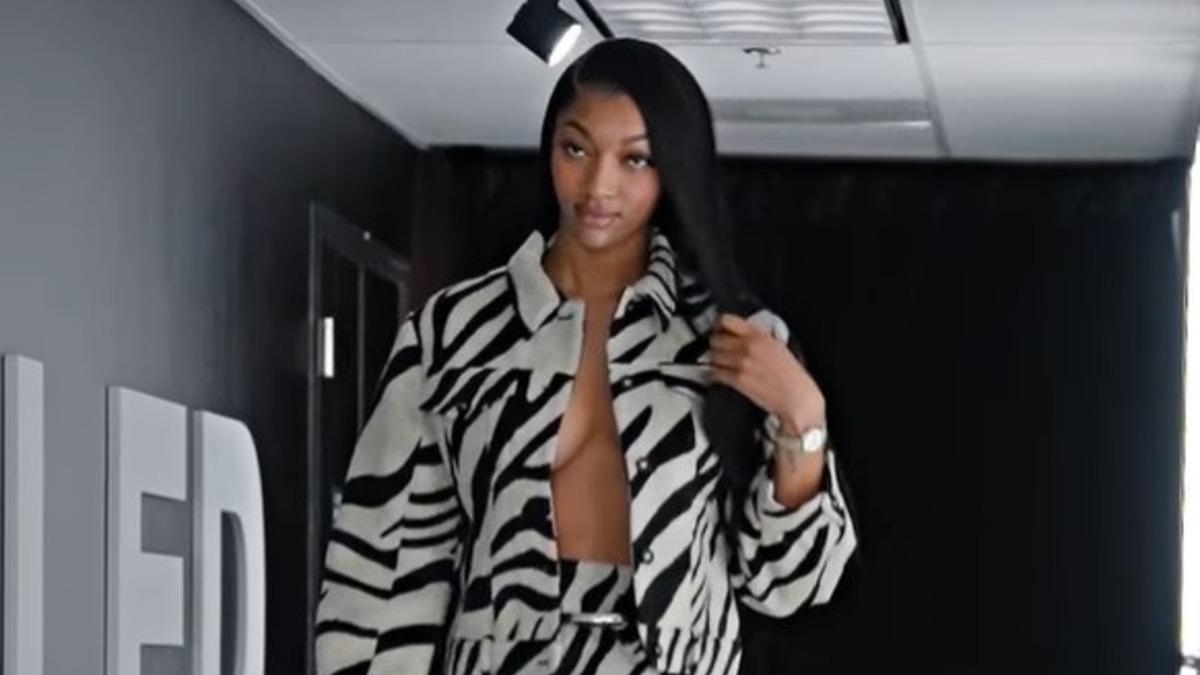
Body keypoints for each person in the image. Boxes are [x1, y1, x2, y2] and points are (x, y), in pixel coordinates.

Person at [315, 37, 858, 675]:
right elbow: (381, 571)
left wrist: (803, 416)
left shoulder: (733, 340)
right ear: (549, 149)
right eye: (576, 149)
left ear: (672, 169)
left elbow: (788, 587)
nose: (599, 184)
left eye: (636, 159)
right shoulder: (453, 333)